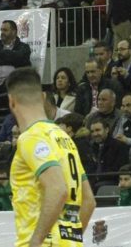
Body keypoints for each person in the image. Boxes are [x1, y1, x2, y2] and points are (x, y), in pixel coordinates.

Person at [7, 67, 96, 247]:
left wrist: (36, 241)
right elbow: (89, 201)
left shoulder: (30, 137)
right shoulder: (64, 137)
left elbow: (57, 189)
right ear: (43, 97)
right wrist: (70, 239)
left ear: (12, 102)